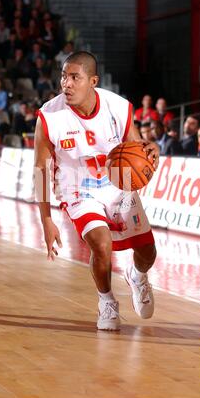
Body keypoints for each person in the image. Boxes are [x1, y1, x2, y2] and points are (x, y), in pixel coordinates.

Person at [34, 51, 160, 331]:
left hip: (116, 185)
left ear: (93, 81)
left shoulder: (117, 107)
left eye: (74, 77)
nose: (66, 83)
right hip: (76, 188)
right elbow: (41, 171)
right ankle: (106, 300)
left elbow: (137, 149)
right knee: (101, 244)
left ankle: (137, 276)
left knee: (148, 252)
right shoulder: (49, 116)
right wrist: (46, 219)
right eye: (64, 76)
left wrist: (154, 151)